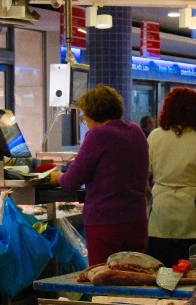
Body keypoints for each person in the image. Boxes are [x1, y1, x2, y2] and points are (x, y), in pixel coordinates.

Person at [59, 85, 149, 264]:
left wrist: (56, 177)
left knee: (105, 280)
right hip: (136, 220)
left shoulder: (97, 135)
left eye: (85, 117)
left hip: (106, 222)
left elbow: (71, 181)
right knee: (135, 277)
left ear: (93, 114)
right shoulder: (136, 131)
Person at [146, 87, 196, 265]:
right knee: (191, 270)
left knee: (159, 270)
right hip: (191, 212)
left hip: (160, 212)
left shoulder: (155, 136)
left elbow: (145, 173)